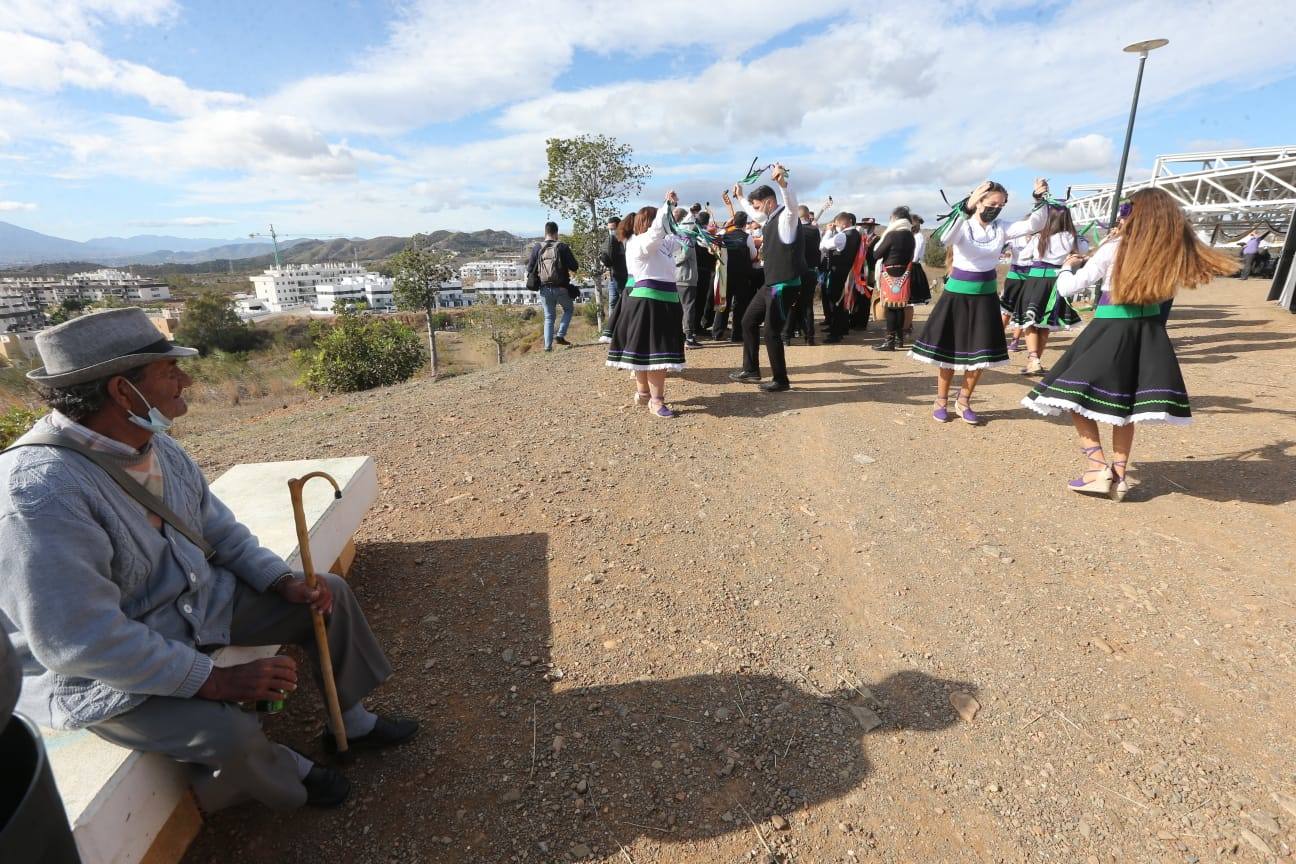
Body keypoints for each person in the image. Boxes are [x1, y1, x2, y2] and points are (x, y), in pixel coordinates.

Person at [0, 309, 417, 812]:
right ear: (121, 391)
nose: (187, 380)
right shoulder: (37, 496)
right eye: (169, 372)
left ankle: (351, 721)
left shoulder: (155, 446)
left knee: (329, 593)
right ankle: (291, 773)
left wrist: (280, 580)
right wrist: (213, 679)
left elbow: (218, 530)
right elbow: (78, 642)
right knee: (230, 731)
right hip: (100, 670)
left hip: (192, 606)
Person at [1021, 187, 1235, 500]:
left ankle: (1097, 468)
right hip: (1148, 333)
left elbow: (1069, 288)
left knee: (1068, 394)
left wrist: (1068, 266)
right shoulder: (1169, 250)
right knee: (1125, 406)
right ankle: (1119, 476)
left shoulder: (1115, 248)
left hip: (1111, 330)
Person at [909, 178, 1050, 424]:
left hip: (985, 297)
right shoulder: (963, 224)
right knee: (949, 352)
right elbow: (943, 239)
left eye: (1002, 204)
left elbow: (1035, 223)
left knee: (979, 354)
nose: (996, 208)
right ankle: (941, 400)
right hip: (957, 297)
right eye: (993, 203)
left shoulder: (1002, 227)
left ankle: (964, 400)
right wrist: (967, 207)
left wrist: (1040, 198)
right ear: (979, 201)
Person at [606, 192, 687, 417]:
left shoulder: (659, 245)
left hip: (664, 302)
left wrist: (675, 212)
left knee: (643, 352)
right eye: (659, 220)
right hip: (649, 303)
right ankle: (656, 400)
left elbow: (675, 235)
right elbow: (658, 231)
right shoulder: (640, 242)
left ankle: (643, 394)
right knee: (654, 355)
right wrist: (667, 205)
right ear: (650, 223)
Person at [729, 165, 801, 392]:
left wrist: (783, 184)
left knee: (771, 332)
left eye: (758, 204)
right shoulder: (769, 217)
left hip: (785, 285)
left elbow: (791, 205)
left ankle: (781, 380)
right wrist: (740, 197)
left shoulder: (786, 219)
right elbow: (754, 214)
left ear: (769, 202)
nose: (756, 210)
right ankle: (751, 370)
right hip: (771, 284)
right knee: (747, 321)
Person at [1008, 204, 1084, 374]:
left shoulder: (1040, 237)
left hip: (1035, 280)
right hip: (1055, 281)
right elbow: (1082, 252)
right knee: (1044, 323)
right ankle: (1034, 362)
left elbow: (1025, 256)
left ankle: (1033, 360)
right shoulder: (1073, 238)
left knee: (1029, 321)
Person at [527, 222, 580, 351]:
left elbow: (530, 269)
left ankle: (547, 347)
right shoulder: (562, 247)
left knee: (549, 317)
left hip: (545, 289)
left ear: (545, 232)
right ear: (556, 233)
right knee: (568, 310)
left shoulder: (537, 248)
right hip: (562, 288)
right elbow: (575, 266)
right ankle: (560, 335)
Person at [870, 206, 918, 351]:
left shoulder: (891, 235)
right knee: (900, 308)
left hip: (889, 273)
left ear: (895, 218)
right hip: (904, 273)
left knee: (891, 308)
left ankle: (889, 342)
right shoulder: (910, 236)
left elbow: (876, 254)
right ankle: (899, 340)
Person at [710, 208, 757, 342]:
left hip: (725, 274)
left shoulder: (723, 234)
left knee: (723, 303)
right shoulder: (747, 237)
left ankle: (717, 333)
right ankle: (737, 335)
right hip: (742, 275)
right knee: (740, 305)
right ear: (744, 223)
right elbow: (753, 255)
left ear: (733, 222)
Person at [819, 212, 863, 344]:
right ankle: (842, 328)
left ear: (843, 223)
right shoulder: (856, 234)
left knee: (836, 302)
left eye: (837, 224)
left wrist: (828, 232)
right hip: (847, 271)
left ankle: (835, 333)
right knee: (842, 301)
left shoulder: (843, 236)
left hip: (838, 272)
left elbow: (822, 246)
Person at [784, 204, 821, 345]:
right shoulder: (815, 231)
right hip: (810, 271)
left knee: (791, 304)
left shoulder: (792, 230)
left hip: (794, 271)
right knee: (807, 305)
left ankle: (786, 336)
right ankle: (809, 337)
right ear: (807, 215)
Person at [672, 207, 702, 348]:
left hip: (677, 277)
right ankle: (689, 337)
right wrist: (674, 261)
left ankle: (680, 335)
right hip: (686, 278)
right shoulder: (687, 239)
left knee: (680, 308)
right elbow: (683, 256)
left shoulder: (675, 236)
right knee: (688, 308)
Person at [598, 216, 628, 343]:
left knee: (624, 302)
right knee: (612, 303)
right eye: (609, 229)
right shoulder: (608, 240)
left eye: (613, 228)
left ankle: (624, 329)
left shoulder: (625, 240)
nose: (611, 231)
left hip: (623, 276)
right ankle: (612, 331)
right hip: (611, 276)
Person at [905, 215, 932, 344]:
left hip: (912, 268)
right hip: (906, 267)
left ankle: (907, 328)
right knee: (903, 301)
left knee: (909, 302)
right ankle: (904, 326)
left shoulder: (918, 237)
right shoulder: (910, 236)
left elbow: (915, 257)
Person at [693, 211, 717, 337]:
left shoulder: (692, 234)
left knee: (693, 300)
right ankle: (696, 326)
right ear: (707, 222)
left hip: (693, 270)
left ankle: (691, 326)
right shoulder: (707, 236)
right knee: (701, 299)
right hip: (704, 270)